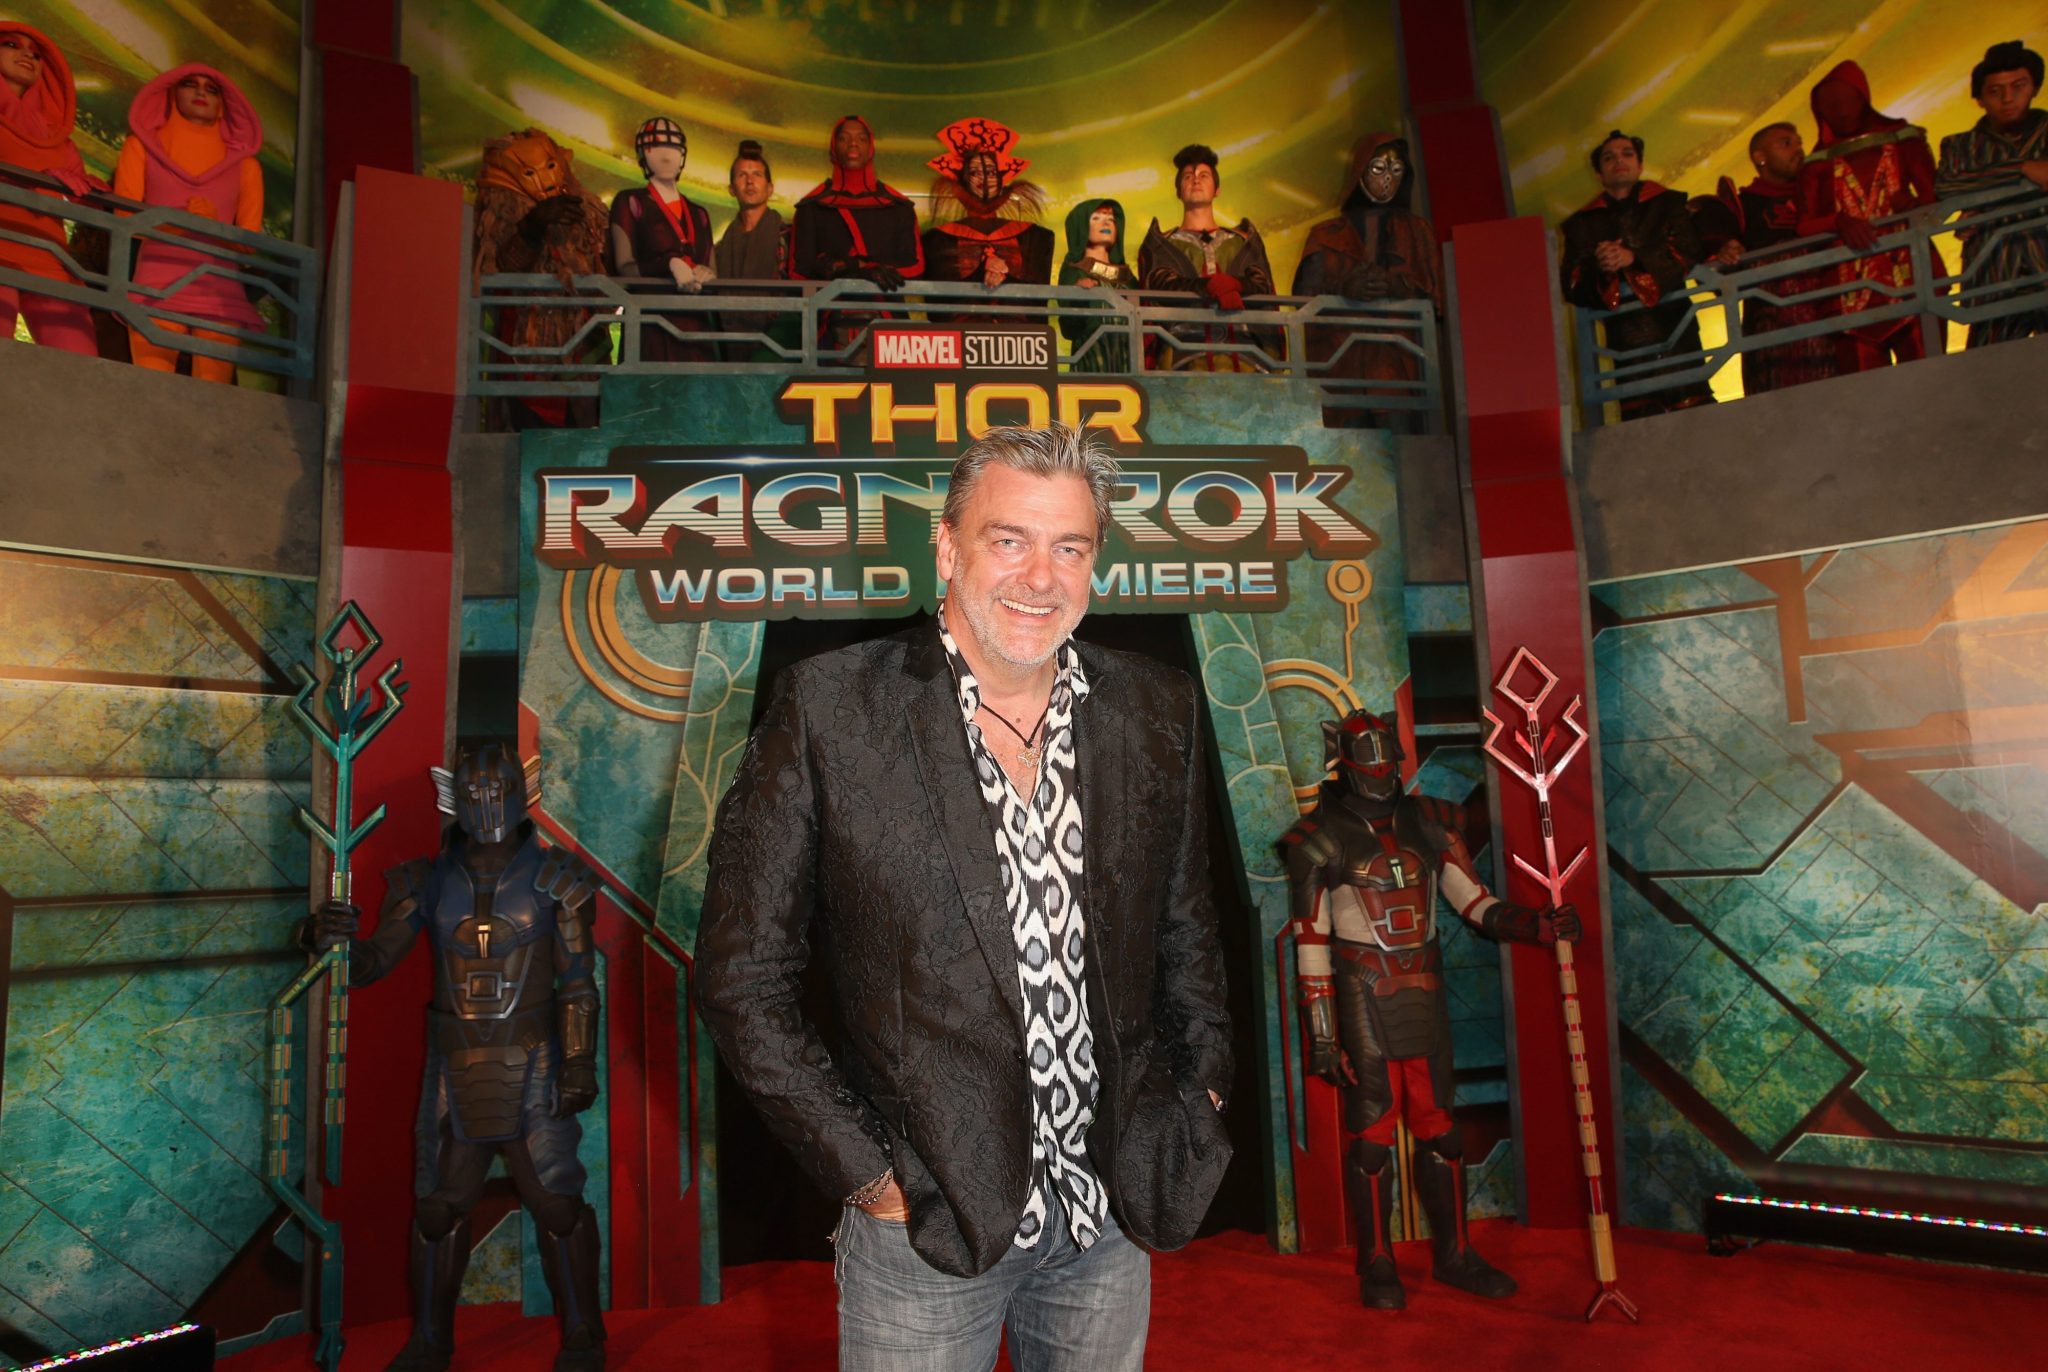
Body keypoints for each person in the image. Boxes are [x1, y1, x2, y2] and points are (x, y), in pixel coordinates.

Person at [696, 424, 1233, 1372]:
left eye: (1069, 547)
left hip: (1111, 1209)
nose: (1040, 577)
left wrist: (1200, 1092)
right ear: (947, 547)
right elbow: (743, 979)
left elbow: (1186, 929)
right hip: (924, 1226)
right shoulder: (830, 709)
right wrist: (868, 1175)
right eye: (1008, 539)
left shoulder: (1156, 707)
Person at [302, 745, 606, 1372]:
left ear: (524, 791)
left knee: (556, 1203)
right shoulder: (426, 881)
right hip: (453, 1064)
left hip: (535, 1061)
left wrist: (579, 1062)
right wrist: (326, 939)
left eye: (499, 790)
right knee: (438, 1211)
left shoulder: (560, 880)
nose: (487, 804)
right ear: (452, 798)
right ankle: (430, 1340)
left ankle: (583, 1334)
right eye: (474, 793)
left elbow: (578, 981)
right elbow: (370, 963)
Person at [1283, 709, 1580, 1310]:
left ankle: (1454, 1255)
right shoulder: (1316, 838)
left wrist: (1537, 926)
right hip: (1362, 990)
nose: (1379, 772)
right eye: (1369, 762)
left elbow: (1473, 901)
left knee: (1441, 1129)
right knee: (1372, 1133)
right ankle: (1377, 1262)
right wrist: (1323, 1036)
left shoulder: (1430, 821)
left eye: (1386, 760)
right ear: (1345, 763)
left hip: (1424, 983)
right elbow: (1311, 939)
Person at [114, 64, 267, 384]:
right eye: (189, 84)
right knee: (149, 388)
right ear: (171, 93)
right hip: (156, 282)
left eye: (212, 89)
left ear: (225, 103)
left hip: (219, 291)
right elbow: (125, 220)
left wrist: (214, 225)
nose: (200, 92)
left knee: (211, 398)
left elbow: (249, 243)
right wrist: (182, 224)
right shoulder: (141, 147)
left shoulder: (246, 166)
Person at [1798, 61, 1942, 374]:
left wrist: (1915, 206)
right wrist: (1838, 221)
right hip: (1846, 296)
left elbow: (1936, 200)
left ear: (1862, 97)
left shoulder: (1903, 138)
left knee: (1930, 381)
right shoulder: (1816, 162)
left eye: (1847, 100)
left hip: (1914, 277)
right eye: (1830, 106)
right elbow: (1804, 225)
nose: (1840, 111)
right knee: (1866, 394)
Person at [1559, 129, 1713, 418]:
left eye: (1627, 154)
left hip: (1676, 328)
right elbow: (1572, 283)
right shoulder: (1582, 224)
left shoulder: (1668, 203)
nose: (1619, 161)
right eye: (1609, 157)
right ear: (1598, 173)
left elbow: (1689, 249)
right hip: (1625, 340)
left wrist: (1633, 258)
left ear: (1640, 165)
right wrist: (1602, 269)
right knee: (1640, 426)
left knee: (1696, 416)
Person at [1292, 133, 1442, 429]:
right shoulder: (1326, 234)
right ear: (1360, 169)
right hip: (1342, 364)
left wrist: (1397, 286)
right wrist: (1342, 289)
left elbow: (1436, 298)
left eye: (1396, 170)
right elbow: (1303, 300)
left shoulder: (1417, 232)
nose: (1387, 178)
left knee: (1400, 438)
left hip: (1399, 364)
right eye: (1378, 168)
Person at [471, 127, 610, 427]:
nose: (545, 180)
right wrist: (531, 227)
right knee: (531, 437)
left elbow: (600, 274)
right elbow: (502, 269)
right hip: (527, 354)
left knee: (587, 436)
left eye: (550, 166)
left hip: (584, 352)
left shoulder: (582, 211)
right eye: (530, 172)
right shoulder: (502, 213)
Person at [1690, 122, 1837, 395]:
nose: (1798, 150)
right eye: (1786, 143)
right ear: (1760, 157)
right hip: (1771, 336)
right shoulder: (1742, 207)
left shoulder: (1822, 197)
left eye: (1799, 142)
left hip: (1830, 323)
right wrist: (1725, 252)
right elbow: (1718, 276)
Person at [1936, 40, 2048, 348]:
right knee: (1988, 368)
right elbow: (1947, 185)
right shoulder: (1959, 145)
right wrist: (2023, 169)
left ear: (2035, 87)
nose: (2007, 98)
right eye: (1995, 91)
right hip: (1992, 275)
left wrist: (1986, 192)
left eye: (2018, 86)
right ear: (1979, 98)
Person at [0, 22, 99, 355]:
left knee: (81, 367)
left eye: (36, 53)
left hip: (51, 257)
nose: (27, 55)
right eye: (11, 44)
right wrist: (37, 177)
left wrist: (94, 191)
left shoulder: (57, 138)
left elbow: (87, 205)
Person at [1139, 143, 1275, 371]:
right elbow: (1160, 285)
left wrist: (1235, 284)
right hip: (1183, 357)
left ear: (1217, 189)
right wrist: (1208, 286)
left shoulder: (1242, 241)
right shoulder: (1162, 243)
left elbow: (1262, 285)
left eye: (1204, 175)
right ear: (1178, 191)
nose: (1196, 180)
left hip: (1246, 357)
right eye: (1188, 176)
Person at [608, 116, 716, 363]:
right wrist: (667, 264)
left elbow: (713, 271)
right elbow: (624, 267)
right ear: (643, 154)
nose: (666, 156)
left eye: (673, 147)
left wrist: (707, 275)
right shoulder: (630, 202)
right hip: (649, 325)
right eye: (655, 147)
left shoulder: (699, 214)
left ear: (682, 154)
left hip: (697, 326)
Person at [921, 116, 1055, 296]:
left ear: (1002, 180)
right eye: (974, 172)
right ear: (962, 182)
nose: (984, 180)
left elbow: (1038, 294)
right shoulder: (938, 240)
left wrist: (1003, 276)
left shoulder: (1034, 237)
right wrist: (982, 272)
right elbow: (939, 297)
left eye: (991, 172)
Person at [714, 138, 793, 357]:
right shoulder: (720, 248)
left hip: (779, 343)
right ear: (731, 189)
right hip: (728, 341)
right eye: (742, 175)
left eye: (757, 174)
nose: (750, 182)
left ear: (770, 188)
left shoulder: (787, 237)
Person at [1056, 198, 1136, 372]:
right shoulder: (1075, 269)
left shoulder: (1127, 275)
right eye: (1096, 218)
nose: (1106, 223)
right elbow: (1070, 325)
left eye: (1111, 219)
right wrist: (1079, 295)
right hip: (1092, 352)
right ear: (1081, 226)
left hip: (1126, 352)